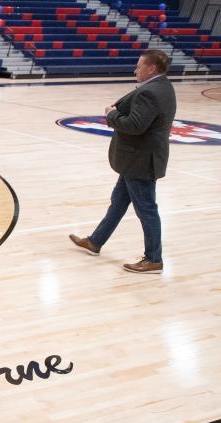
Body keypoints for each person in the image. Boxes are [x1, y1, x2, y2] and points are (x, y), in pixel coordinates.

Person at [70, 49, 176, 274]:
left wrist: (111, 115)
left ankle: (154, 259)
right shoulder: (164, 86)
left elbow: (135, 125)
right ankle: (95, 242)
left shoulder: (151, 92)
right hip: (136, 159)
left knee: (147, 209)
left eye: (139, 66)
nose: (135, 70)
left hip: (140, 159)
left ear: (152, 68)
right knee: (118, 203)